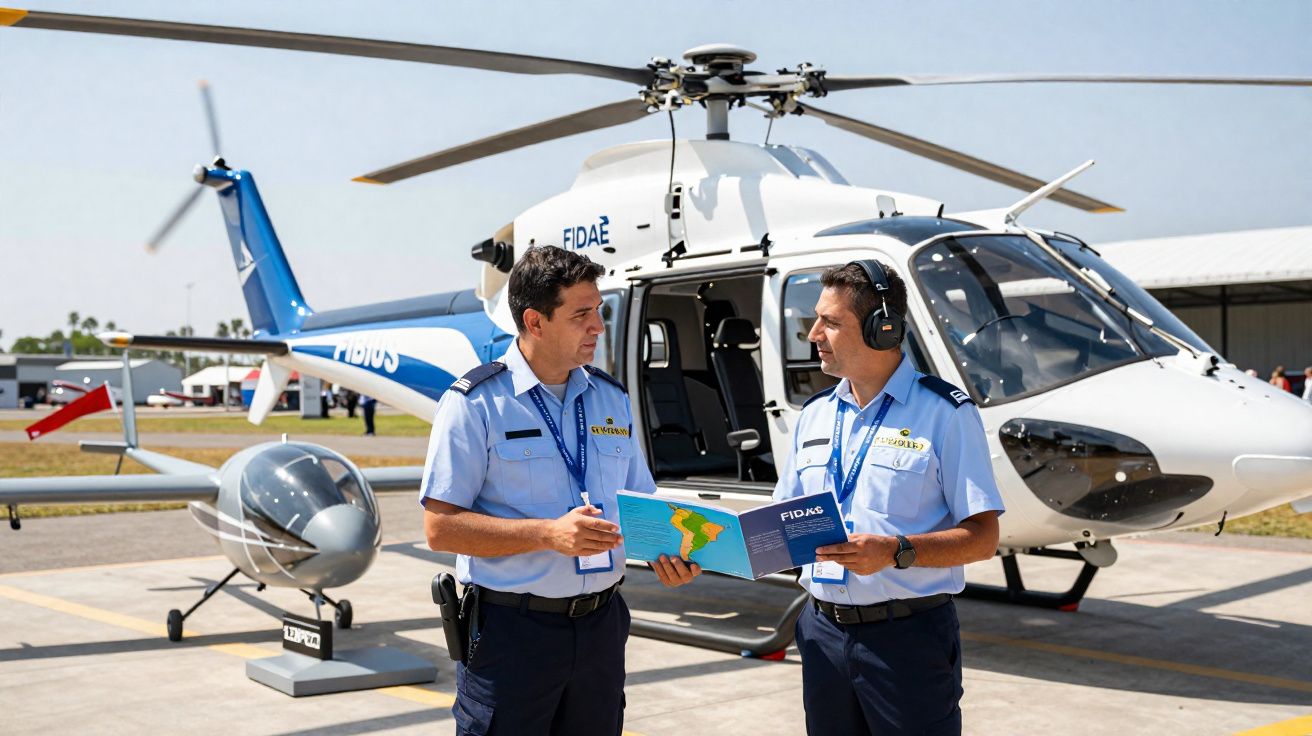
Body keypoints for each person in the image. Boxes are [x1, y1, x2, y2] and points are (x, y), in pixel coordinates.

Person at [420, 245, 699, 736]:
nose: (598, 325)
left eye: (598, 311)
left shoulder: (611, 399)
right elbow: (441, 528)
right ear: (535, 321)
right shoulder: (475, 404)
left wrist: (671, 552)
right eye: (582, 314)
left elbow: (641, 503)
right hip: (513, 635)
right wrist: (549, 534)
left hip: (601, 629)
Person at [773, 261, 1004, 735]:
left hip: (907, 639)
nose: (813, 333)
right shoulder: (813, 416)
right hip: (821, 632)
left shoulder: (945, 413)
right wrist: (704, 545)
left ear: (883, 328)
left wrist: (896, 552)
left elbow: (983, 539)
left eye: (831, 322)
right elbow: (782, 523)